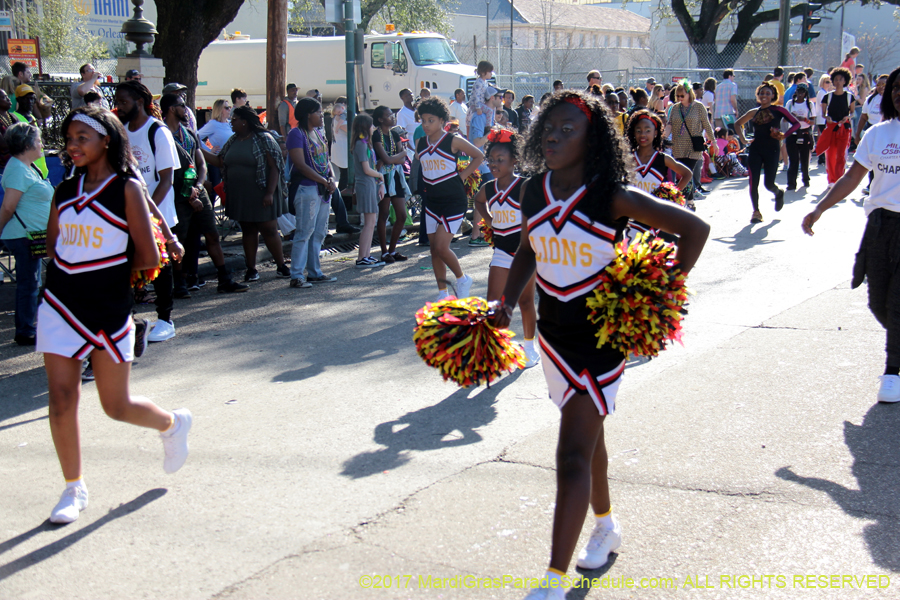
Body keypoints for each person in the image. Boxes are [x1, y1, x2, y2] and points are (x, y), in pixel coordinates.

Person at [489, 90, 709, 600]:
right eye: (549, 127)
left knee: (570, 454)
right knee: (588, 441)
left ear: (593, 140)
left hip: (600, 340)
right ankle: (606, 526)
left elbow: (694, 229)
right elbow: (527, 250)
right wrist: (504, 302)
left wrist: (659, 289)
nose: (554, 136)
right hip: (553, 338)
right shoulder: (533, 190)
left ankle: (551, 580)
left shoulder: (610, 194)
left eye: (569, 129)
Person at [36, 106, 191, 524]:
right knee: (62, 398)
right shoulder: (63, 191)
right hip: (60, 304)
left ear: (107, 139)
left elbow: (146, 254)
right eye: (69, 139)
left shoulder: (126, 188)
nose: (73, 145)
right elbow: (54, 246)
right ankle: (73, 487)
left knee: (116, 405)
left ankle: (172, 424)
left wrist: (110, 280)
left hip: (108, 306)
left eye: (82, 137)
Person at [802, 66, 900, 403]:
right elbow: (850, 179)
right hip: (880, 226)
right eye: (896, 88)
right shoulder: (877, 134)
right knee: (877, 301)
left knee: (898, 303)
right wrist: (819, 209)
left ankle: (892, 372)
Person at [115, 80, 183, 342]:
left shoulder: (158, 132)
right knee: (130, 266)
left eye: (123, 102)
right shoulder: (120, 131)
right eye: (118, 102)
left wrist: (145, 211)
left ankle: (165, 319)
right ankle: (128, 321)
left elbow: (166, 180)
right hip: (128, 213)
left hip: (158, 212)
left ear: (140, 102)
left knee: (161, 267)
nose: (119, 107)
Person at [160, 93, 248, 294]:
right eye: (182, 105)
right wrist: (188, 194)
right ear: (172, 109)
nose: (186, 109)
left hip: (197, 192)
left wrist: (198, 187)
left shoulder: (190, 134)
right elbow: (166, 171)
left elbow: (201, 164)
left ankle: (224, 278)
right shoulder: (161, 135)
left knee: (212, 234)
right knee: (178, 239)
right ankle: (180, 282)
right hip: (176, 194)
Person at [472, 129, 540, 367]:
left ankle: (530, 347)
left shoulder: (523, 186)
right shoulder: (489, 188)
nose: (494, 164)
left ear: (515, 160)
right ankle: (495, 346)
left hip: (525, 252)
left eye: (501, 160)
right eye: (491, 160)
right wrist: (488, 221)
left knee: (525, 301)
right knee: (493, 301)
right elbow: (477, 201)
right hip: (501, 250)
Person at [205, 105, 291, 282]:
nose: (231, 122)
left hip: (262, 193)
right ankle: (251, 269)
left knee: (269, 229)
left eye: (234, 119)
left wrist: (269, 192)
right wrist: (199, 151)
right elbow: (220, 162)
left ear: (245, 122)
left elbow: (275, 167)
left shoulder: (264, 138)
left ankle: (281, 265)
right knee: (248, 230)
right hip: (240, 194)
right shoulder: (233, 140)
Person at [416, 97, 483, 300]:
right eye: (423, 120)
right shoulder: (420, 142)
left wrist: (462, 176)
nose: (426, 124)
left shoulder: (452, 140)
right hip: (431, 201)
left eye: (431, 120)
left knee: (441, 247)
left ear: (442, 120)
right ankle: (443, 293)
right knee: (434, 251)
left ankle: (462, 278)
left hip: (453, 200)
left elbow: (478, 156)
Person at [0, 123, 52, 345]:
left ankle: (29, 326)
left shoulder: (26, 167)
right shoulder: (17, 169)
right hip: (24, 236)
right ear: (27, 143)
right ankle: (24, 330)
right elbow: (8, 208)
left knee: (32, 282)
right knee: (29, 283)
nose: (41, 144)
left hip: (35, 235)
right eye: (38, 140)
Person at [287, 97, 338, 288]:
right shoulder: (296, 134)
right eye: (318, 112)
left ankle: (315, 272)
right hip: (307, 188)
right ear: (308, 114)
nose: (321, 115)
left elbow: (327, 159)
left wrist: (331, 179)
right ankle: (297, 275)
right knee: (304, 232)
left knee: (318, 232)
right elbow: (300, 164)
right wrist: (324, 180)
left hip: (323, 189)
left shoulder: (318, 133)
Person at [735, 82, 799, 223]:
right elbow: (737, 124)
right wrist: (743, 139)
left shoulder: (779, 110)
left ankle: (778, 193)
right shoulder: (754, 112)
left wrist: (784, 134)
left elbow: (796, 123)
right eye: (762, 93)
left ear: (773, 96)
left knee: (769, 184)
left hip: (773, 150)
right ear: (758, 95)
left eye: (767, 93)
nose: (764, 95)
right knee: (753, 182)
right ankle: (756, 212)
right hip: (756, 149)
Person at [664, 80, 716, 200]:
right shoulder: (675, 108)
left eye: (682, 95)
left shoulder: (698, 107)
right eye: (678, 96)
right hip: (678, 146)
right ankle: (691, 201)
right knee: (685, 174)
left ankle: (680, 198)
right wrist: (664, 138)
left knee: (687, 173)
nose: (680, 98)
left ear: (689, 94)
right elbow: (669, 125)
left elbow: (707, 125)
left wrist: (714, 142)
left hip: (693, 146)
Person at [372, 105, 410, 263]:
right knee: (384, 214)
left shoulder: (395, 133)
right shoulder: (376, 135)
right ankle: (383, 252)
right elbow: (388, 158)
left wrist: (394, 157)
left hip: (395, 176)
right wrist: (397, 155)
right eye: (388, 115)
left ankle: (393, 250)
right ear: (381, 119)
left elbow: (401, 158)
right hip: (383, 178)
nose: (392, 117)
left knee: (401, 215)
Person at [626, 110, 693, 194]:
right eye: (638, 131)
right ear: (634, 133)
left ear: (655, 133)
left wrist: (673, 195)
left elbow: (687, 174)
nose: (643, 134)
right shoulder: (628, 158)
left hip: (654, 207)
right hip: (632, 206)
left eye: (648, 131)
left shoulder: (663, 158)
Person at [350, 113, 385, 268]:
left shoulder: (365, 144)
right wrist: (380, 175)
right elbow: (366, 169)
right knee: (369, 222)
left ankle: (367, 255)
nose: (374, 128)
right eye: (371, 125)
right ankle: (362, 257)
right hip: (365, 185)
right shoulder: (361, 144)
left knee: (371, 222)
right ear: (365, 127)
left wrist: (378, 180)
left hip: (370, 184)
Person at [819, 67, 856, 187]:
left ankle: (839, 180)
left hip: (844, 129)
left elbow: (852, 112)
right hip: (831, 128)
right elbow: (823, 113)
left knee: (841, 155)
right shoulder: (827, 96)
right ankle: (831, 180)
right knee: (830, 154)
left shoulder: (849, 96)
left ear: (845, 81)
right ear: (833, 81)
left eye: (841, 79)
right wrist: (827, 118)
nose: (838, 82)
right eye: (836, 79)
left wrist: (847, 118)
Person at [856, 74, 888, 195]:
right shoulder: (870, 99)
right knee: (873, 160)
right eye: (879, 84)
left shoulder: (893, 99)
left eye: (884, 84)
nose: (881, 87)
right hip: (872, 131)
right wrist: (858, 134)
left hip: (887, 133)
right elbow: (863, 117)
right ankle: (871, 184)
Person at [197, 98, 233, 202]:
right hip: (217, 160)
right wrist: (208, 150)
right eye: (226, 108)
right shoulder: (213, 124)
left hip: (230, 160)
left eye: (229, 107)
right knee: (215, 188)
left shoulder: (230, 124)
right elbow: (196, 135)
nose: (229, 109)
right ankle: (210, 211)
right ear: (219, 110)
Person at [784, 84, 814, 190]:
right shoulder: (790, 104)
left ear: (806, 93)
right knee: (793, 159)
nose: (800, 94)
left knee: (804, 159)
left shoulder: (809, 104)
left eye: (803, 92)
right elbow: (784, 119)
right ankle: (791, 183)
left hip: (804, 133)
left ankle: (805, 179)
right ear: (795, 92)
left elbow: (813, 121)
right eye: (799, 91)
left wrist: (804, 119)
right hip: (792, 134)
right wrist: (793, 118)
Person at [466, 61, 495, 139]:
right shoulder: (479, 82)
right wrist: (478, 108)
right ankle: (487, 128)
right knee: (489, 111)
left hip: (481, 103)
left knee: (492, 109)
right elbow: (476, 96)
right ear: (483, 72)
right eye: (489, 72)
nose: (491, 74)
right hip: (476, 104)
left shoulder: (485, 82)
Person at [814, 74, 832, 166]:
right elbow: (824, 106)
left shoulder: (826, 92)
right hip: (822, 118)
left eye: (830, 81)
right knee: (824, 138)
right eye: (827, 82)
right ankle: (821, 157)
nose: (829, 84)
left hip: (824, 118)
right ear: (822, 82)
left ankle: (822, 157)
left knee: (825, 138)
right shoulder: (822, 93)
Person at [396, 88, 418, 162]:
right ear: (402, 98)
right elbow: (401, 134)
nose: (411, 96)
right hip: (413, 146)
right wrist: (411, 149)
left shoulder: (417, 110)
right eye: (407, 95)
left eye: (411, 93)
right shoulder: (402, 113)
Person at [0, 90, 14, 172]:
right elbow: (3, 144)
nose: (9, 99)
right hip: (2, 167)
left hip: (14, 164)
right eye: (4, 97)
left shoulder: (12, 117)